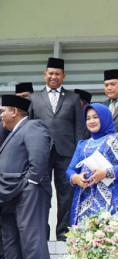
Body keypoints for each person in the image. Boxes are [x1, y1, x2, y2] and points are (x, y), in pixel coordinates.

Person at [65, 103, 118, 259]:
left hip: (110, 199)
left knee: (108, 238)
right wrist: (75, 177)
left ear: (104, 118)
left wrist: (107, 172)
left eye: (95, 117)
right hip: (85, 198)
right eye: (88, 118)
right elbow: (70, 169)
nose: (91, 121)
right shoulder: (83, 144)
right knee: (86, 239)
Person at [29, 57, 88, 240]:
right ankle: (42, 233)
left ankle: (63, 233)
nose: (53, 77)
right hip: (41, 153)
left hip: (67, 153)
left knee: (66, 195)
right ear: (44, 75)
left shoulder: (73, 98)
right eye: (50, 73)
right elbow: (29, 128)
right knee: (42, 194)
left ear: (63, 76)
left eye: (57, 74)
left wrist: (80, 156)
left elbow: (79, 128)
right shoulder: (34, 97)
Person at [0, 95, 53, 259]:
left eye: (2, 111)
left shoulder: (32, 127)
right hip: (9, 195)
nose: (1, 116)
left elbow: (39, 158)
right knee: (11, 238)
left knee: (31, 234)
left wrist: (31, 182)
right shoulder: (12, 134)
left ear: (14, 111)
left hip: (29, 190)